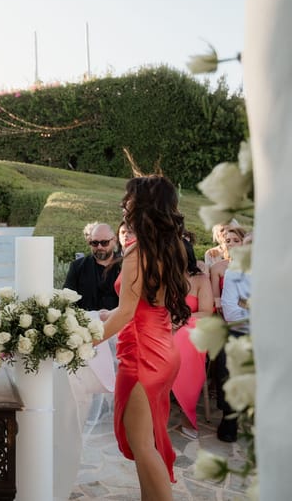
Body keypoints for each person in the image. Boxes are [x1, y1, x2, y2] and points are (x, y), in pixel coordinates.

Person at [97, 175, 191, 500]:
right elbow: (143, 306)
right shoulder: (170, 247)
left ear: (144, 206)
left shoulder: (138, 253)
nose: (125, 204)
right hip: (164, 351)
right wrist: (112, 317)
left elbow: (126, 313)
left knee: (143, 446)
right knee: (147, 442)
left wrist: (83, 340)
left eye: (130, 199)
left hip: (141, 356)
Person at [172, 237, 214, 439]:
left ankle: (186, 412)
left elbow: (207, 312)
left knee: (185, 338)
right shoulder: (162, 278)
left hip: (194, 324)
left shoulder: (200, 279)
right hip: (166, 325)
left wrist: (182, 319)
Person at [215, 233, 252, 442]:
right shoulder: (233, 274)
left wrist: (245, 304)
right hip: (238, 332)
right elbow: (230, 311)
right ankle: (229, 418)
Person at [64, 222, 121, 311]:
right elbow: (67, 300)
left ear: (114, 240)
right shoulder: (77, 267)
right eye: (95, 243)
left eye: (104, 242)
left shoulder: (124, 266)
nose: (99, 247)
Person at [210, 226, 247, 313]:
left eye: (236, 241)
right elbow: (216, 298)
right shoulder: (217, 268)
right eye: (228, 241)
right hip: (226, 310)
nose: (231, 243)